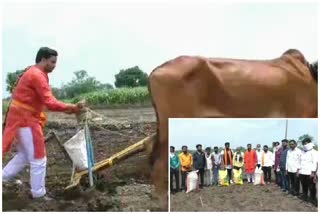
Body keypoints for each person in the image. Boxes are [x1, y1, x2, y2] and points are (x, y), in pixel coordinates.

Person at [2, 47, 85, 200]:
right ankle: (39, 194)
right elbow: (49, 102)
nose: (54, 65)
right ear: (43, 59)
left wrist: (69, 109)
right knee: (39, 158)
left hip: (19, 119)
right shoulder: (37, 76)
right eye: (52, 62)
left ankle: (3, 178)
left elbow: (45, 102)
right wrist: (73, 108)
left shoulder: (34, 72)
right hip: (26, 120)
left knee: (26, 155)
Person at [299, 138, 318, 206]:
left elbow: (315, 163)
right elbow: (300, 161)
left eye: (306, 143)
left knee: (312, 187)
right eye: (303, 143)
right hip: (302, 172)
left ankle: (313, 201)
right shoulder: (302, 152)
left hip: (310, 173)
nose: (305, 144)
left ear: (309, 143)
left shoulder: (314, 152)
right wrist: (299, 170)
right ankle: (305, 197)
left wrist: (313, 173)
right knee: (304, 186)